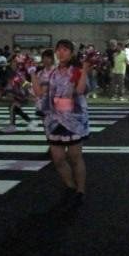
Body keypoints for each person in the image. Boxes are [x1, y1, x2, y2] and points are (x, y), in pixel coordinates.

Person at [42, 39, 90, 206]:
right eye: (59, 50)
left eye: (65, 50)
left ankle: (80, 189)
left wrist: (84, 72)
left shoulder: (76, 70)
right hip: (55, 119)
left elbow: (80, 90)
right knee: (58, 158)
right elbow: (44, 92)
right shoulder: (53, 73)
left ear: (71, 53)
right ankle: (70, 186)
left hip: (73, 119)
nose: (61, 53)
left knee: (75, 157)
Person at [32, 49, 56, 119]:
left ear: (52, 59)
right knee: (45, 125)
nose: (46, 60)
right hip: (42, 103)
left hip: (54, 103)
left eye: (48, 58)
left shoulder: (57, 71)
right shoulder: (40, 73)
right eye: (44, 58)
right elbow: (36, 88)